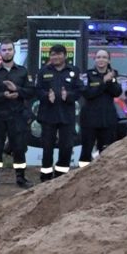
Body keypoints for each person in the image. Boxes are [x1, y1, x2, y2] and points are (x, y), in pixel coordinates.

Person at [0, 39, 33, 188]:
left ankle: (21, 178)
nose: (7, 52)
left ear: (14, 51)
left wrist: (17, 90)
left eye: (9, 49)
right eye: (4, 50)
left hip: (17, 116)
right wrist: (3, 95)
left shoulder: (23, 71)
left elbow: (31, 92)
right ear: (0, 52)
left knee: (19, 148)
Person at [34, 44, 83, 181]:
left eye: (58, 54)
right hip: (48, 115)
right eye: (53, 54)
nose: (55, 57)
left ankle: (61, 176)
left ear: (65, 56)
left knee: (66, 147)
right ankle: (46, 176)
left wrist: (68, 95)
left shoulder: (73, 71)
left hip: (66, 115)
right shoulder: (43, 71)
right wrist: (46, 96)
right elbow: (37, 90)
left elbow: (80, 90)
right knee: (47, 148)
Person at [78, 49, 122, 167]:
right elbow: (88, 94)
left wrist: (110, 81)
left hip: (107, 119)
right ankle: (82, 174)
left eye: (104, 57)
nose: (101, 59)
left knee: (106, 150)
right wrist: (103, 81)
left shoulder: (114, 74)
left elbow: (117, 92)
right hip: (90, 119)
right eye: (98, 57)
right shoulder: (87, 75)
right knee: (86, 150)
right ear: (94, 60)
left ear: (109, 60)